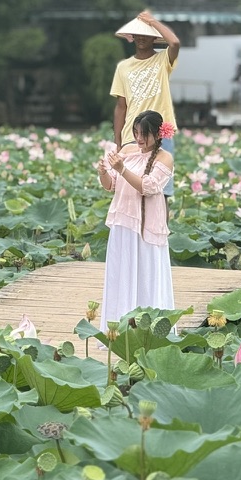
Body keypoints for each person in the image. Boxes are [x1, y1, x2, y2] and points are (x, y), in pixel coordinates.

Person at [97, 110, 175, 330]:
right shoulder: (127, 150)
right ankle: (118, 329)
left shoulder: (164, 158)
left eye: (145, 134)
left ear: (158, 134)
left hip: (146, 227)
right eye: (136, 133)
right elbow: (110, 185)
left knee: (146, 277)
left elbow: (148, 187)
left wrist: (121, 169)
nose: (139, 139)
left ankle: (148, 329)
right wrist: (103, 172)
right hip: (123, 222)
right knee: (120, 276)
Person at [110, 10, 180, 197]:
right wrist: (118, 142)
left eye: (146, 34)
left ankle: (160, 228)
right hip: (133, 135)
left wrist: (152, 22)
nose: (142, 38)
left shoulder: (162, 60)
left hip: (160, 132)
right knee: (131, 190)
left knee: (160, 192)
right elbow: (121, 107)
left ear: (154, 38)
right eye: (138, 34)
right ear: (132, 37)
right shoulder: (123, 67)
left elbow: (174, 42)